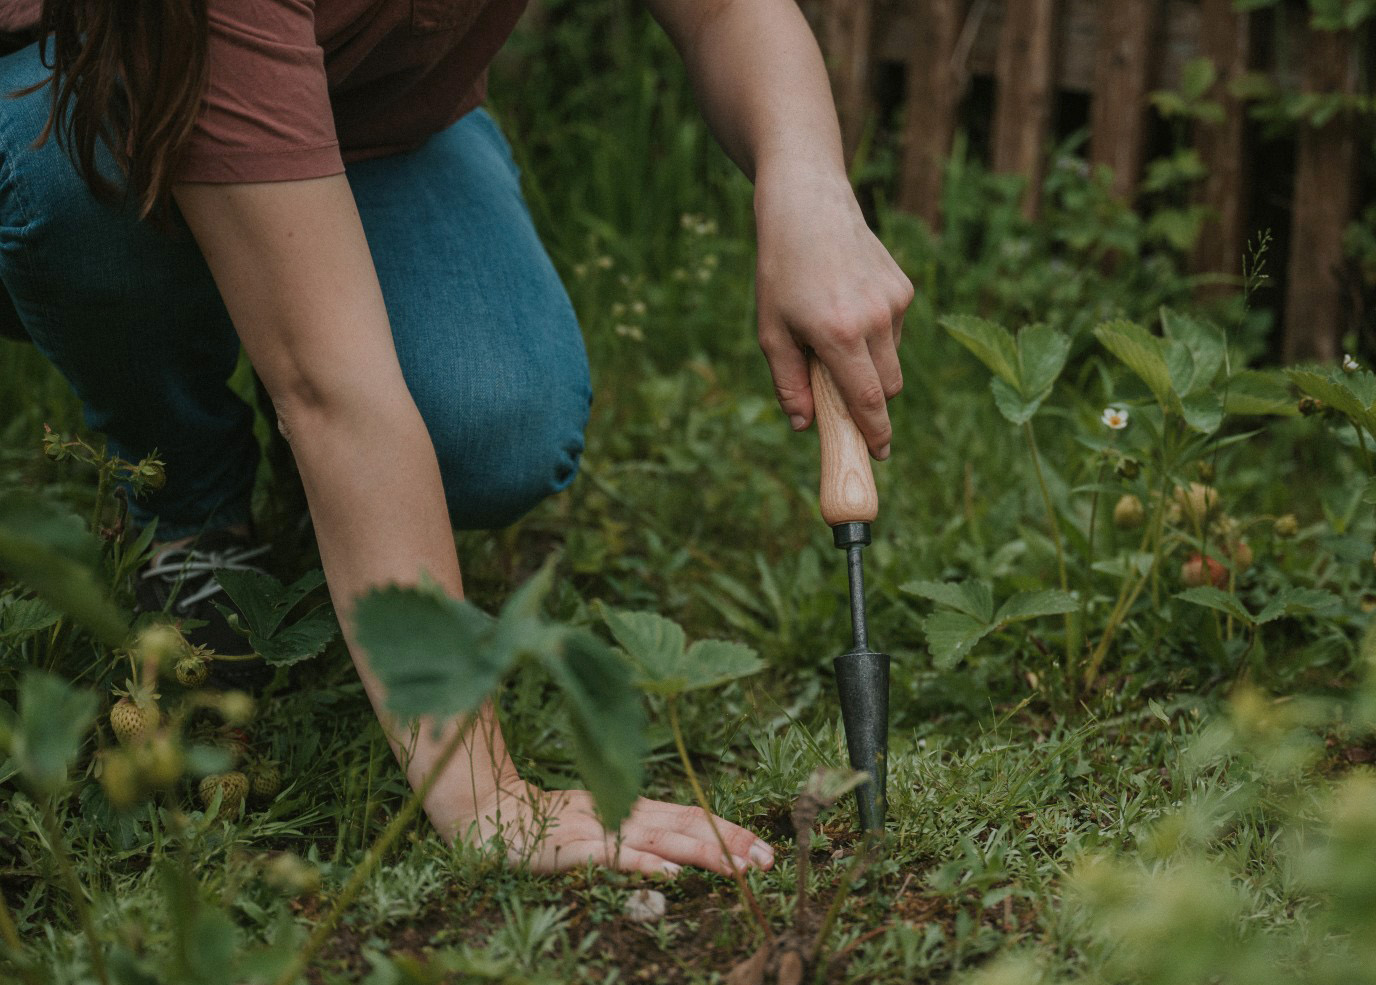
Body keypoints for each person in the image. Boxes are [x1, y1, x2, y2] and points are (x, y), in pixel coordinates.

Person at [0, 0, 913, 876]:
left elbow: (723, 10)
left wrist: (808, 188)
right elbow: (330, 390)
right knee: (74, 181)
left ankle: (345, 506)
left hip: (377, 116)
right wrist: (483, 794)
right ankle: (192, 508)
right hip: (96, 78)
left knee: (492, 425)